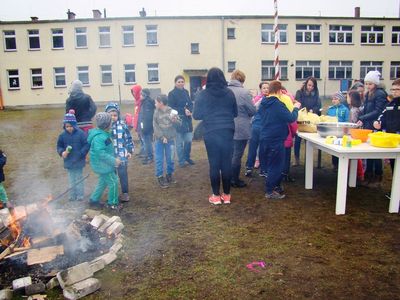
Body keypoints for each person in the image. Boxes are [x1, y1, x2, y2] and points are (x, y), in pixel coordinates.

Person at [193, 67, 238, 205]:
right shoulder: (230, 93)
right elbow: (235, 113)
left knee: (214, 164)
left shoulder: (202, 94)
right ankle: (227, 195)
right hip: (227, 130)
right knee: (226, 163)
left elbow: (196, 115)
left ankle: (216, 196)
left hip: (211, 132)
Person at [259, 80, 301, 199]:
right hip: (276, 138)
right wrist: (296, 108)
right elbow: (291, 118)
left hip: (265, 136)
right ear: (278, 91)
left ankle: (273, 187)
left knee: (270, 164)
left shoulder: (264, 102)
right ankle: (270, 191)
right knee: (276, 166)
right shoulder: (277, 104)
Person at [357, 71, 388, 188]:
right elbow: (366, 109)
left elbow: (378, 111)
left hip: (376, 126)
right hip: (367, 126)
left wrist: (363, 118)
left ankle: (377, 176)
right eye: (366, 83)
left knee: (376, 154)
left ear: (375, 83)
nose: (368, 86)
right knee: (368, 152)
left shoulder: (380, 94)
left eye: (370, 84)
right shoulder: (368, 94)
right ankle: (368, 175)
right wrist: (362, 119)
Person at [228, 70, 256, 188]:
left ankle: (226, 176)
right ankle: (234, 179)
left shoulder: (225, 90)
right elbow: (252, 110)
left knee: (229, 154)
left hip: (226, 126)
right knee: (237, 154)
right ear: (242, 80)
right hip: (240, 127)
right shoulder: (244, 92)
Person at [87, 112, 122, 210]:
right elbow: (101, 154)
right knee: (114, 182)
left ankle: (93, 200)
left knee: (102, 182)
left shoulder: (104, 133)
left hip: (103, 164)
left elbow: (107, 149)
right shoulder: (99, 137)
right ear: (106, 124)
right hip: (103, 165)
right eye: (110, 121)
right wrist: (114, 160)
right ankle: (113, 204)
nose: (111, 123)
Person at [56, 110, 90, 201]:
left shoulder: (81, 134)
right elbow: (59, 146)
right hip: (69, 161)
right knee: (71, 179)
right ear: (64, 126)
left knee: (78, 178)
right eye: (67, 126)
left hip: (79, 160)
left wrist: (81, 153)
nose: (69, 128)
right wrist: (62, 152)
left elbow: (86, 145)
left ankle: (80, 195)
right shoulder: (62, 136)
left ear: (75, 125)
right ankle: (72, 195)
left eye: (71, 126)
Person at [105, 102, 134, 202]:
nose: (113, 117)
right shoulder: (105, 128)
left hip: (122, 156)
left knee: (123, 175)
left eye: (115, 115)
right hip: (111, 157)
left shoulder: (123, 125)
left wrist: (130, 150)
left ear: (118, 115)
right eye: (110, 115)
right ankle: (114, 193)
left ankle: (125, 193)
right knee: (112, 176)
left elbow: (128, 139)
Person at [153, 95, 181, 188]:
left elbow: (179, 124)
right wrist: (161, 137)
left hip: (170, 140)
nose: (155, 104)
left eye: (156, 102)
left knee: (171, 158)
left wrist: (175, 120)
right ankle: (160, 177)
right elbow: (155, 126)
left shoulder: (172, 111)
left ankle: (169, 175)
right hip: (159, 140)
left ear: (161, 103)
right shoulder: (156, 112)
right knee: (159, 159)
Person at [374, 78, 400, 173]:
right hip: (392, 140)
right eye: (392, 89)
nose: (394, 92)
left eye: (397, 89)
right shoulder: (390, 104)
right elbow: (382, 116)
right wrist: (378, 122)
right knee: (394, 166)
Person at [293, 77, 321, 166]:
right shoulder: (299, 92)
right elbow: (298, 103)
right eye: (309, 85)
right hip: (301, 119)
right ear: (306, 84)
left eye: (312, 86)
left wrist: (313, 110)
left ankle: (308, 159)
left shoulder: (316, 94)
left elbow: (318, 105)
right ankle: (296, 159)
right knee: (298, 139)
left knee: (309, 140)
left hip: (311, 119)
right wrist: (304, 111)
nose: (310, 87)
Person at [168, 75, 194, 167]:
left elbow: (190, 103)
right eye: (179, 82)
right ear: (175, 83)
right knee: (179, 143)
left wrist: (190, 110)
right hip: (178, 120)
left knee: (188, 141)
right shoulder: (172, 94)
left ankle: (187, 157)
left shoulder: (186, 92)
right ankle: (181, 161)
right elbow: (171, 108)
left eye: (182, 81)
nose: (181, 83)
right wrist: (183, 110)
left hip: (187, 120)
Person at [245, 81, 269, 177]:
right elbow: (253, 109)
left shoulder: (272, 99)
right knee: (252, 148)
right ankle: (249, 167)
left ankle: (263, 170)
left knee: (263, 149)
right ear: (261, 89)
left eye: (267, 88)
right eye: (264, 88)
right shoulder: (258, 99)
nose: (266, 89)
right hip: (256, 126)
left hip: (265, 127)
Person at [326, 92, 350, 170]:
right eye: (333, 99)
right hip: (332, 131)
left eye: (336, 99)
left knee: (341, 147)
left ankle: (342, 164)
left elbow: (347, 120)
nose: (333, 100)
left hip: (341, 132)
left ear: (340, 100)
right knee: (334, 147)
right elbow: (327, 119)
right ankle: (335, 164)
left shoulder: (345, 109)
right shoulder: (330, 109)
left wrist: (345, 130)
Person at [140, 89, 156, 165]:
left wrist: (145, 128)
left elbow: (147, 117)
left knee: (147, 142)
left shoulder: (147, 103)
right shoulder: (145, 102)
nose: (140, 96)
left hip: (147, 127)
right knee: (147, 142)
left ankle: (150, 156)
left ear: (145, 95)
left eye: (141, 94)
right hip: (146, 125)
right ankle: (148, 155)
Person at [131, 84, 145, 157]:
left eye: (134, 92)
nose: (133, 93)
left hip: (141, 122)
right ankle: (142, 151)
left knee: (143, 138)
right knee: (140, 137)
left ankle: (144, 152)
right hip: (137, 122)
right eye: (132, 92)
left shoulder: (141, 101)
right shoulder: (136, 101)